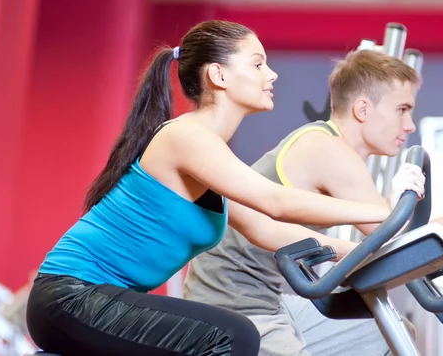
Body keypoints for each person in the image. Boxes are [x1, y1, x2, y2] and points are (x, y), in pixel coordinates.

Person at [25, 21, 413, 356]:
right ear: (219, 76)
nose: (272, 74)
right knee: (235, 334)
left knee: (232, 334)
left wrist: (378, 248)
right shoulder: (186, 137)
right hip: (71, 298)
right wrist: (387, 212)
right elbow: (275, 201)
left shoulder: (211, 154)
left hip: (92, 300)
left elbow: (270, 230)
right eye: (258, 63)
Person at [183, 49, 443, 356]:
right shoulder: (326, 149)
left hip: (271, 300)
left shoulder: (333, 148)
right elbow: (408, 246)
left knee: (386, 334)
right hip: (234, 305)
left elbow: (409, 246)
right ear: (362, 109)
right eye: (402, 110)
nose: (409, 125)